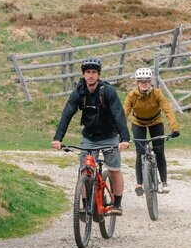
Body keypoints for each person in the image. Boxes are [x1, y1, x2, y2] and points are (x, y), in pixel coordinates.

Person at [51, 57, 130, 215]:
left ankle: (117, 204)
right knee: (85, 171)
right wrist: (58, 138)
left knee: (114, 170)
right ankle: (85, 206)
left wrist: (124, 139)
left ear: (98, 74)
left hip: (109, 136)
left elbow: (118, 115)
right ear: (84, 74)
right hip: (89, 137)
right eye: (88, 72)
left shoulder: (108, 91)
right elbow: (67, 115)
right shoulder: (79, 92)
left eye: (94, 72)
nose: (91, 75)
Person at [123, 67, 180, 195]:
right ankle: (139, 183)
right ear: (137, 82)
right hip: (138, 123)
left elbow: (168, 110)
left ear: (150, 82)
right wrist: (119, 132)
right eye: (141, 81)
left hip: (156, 122)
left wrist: (174, 127)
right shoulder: (131, 95)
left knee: (159, 151)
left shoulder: (157, 93)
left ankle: (164, 182)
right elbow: (123, 114)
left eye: (147, 81)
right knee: (140, 152)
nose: (144, 83)